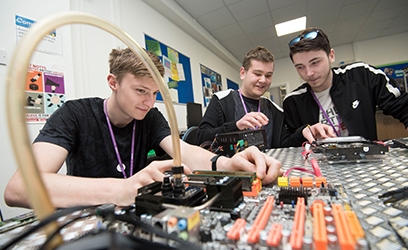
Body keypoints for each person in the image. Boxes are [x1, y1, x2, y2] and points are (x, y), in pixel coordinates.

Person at [4, 48, 283, 209]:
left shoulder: (150, 117)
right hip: (85, 216)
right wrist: (123, 188)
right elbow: (18, 188)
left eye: (154, 93)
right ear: (113, 82)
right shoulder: (74, 114)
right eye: (140, 91)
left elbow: (183, 151)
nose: (149, 102)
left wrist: (227, 163)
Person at [283, 27, 408, 141]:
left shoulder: (360, 75)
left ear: (331, 56)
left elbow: (402, 105)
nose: (309, 73)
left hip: (365, 159)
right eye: (300, 67)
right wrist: (302, 133)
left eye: (315, 62)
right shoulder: (293, 101)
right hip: (319, 163)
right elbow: (287, 142)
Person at [197, 46, 334, 148]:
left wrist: (304, 132)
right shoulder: (222, 100)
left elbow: (284, 144)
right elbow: (201, 138)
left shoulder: (274, 109)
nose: (263, 80)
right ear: (243, 73)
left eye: (268, 75)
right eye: (257, 74)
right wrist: (236, 125)